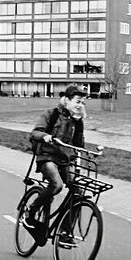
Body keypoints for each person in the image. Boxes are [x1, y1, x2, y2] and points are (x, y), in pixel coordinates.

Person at [24, 84, 89, 237]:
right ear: (66, 100)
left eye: (83, 103)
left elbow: (78, 145)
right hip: (47, 157)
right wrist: (45, 136)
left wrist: (88, 152)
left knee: (78, 193)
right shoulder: (51, 114)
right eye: (78, 101)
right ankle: (30, 212)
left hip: (64, 160)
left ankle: (65, 232)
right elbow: (35, 132)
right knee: (57, 185)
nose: (80, 105)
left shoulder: (77, 122)